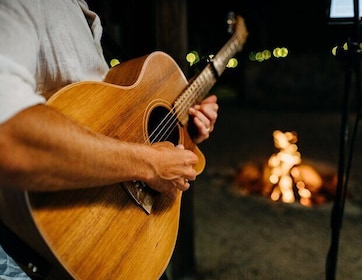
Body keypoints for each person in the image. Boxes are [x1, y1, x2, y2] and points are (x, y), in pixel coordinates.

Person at [0, 0, 219, 279]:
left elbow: (111, 120)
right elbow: (7, 133)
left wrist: (187, 132)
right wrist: (149, 164)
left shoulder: (79, 11)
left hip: (118, 231)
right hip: (49, 244)